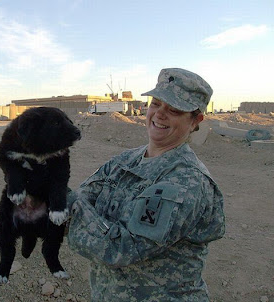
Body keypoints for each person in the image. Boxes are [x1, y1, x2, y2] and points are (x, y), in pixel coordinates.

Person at [67, 68, 225, 301]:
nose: (160, 114)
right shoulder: (126, 160)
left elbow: (121, 248)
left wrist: (61, 203)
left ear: (195, 121)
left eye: (173, 110)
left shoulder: (186, 182)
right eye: (156, 103)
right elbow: (83, 195)